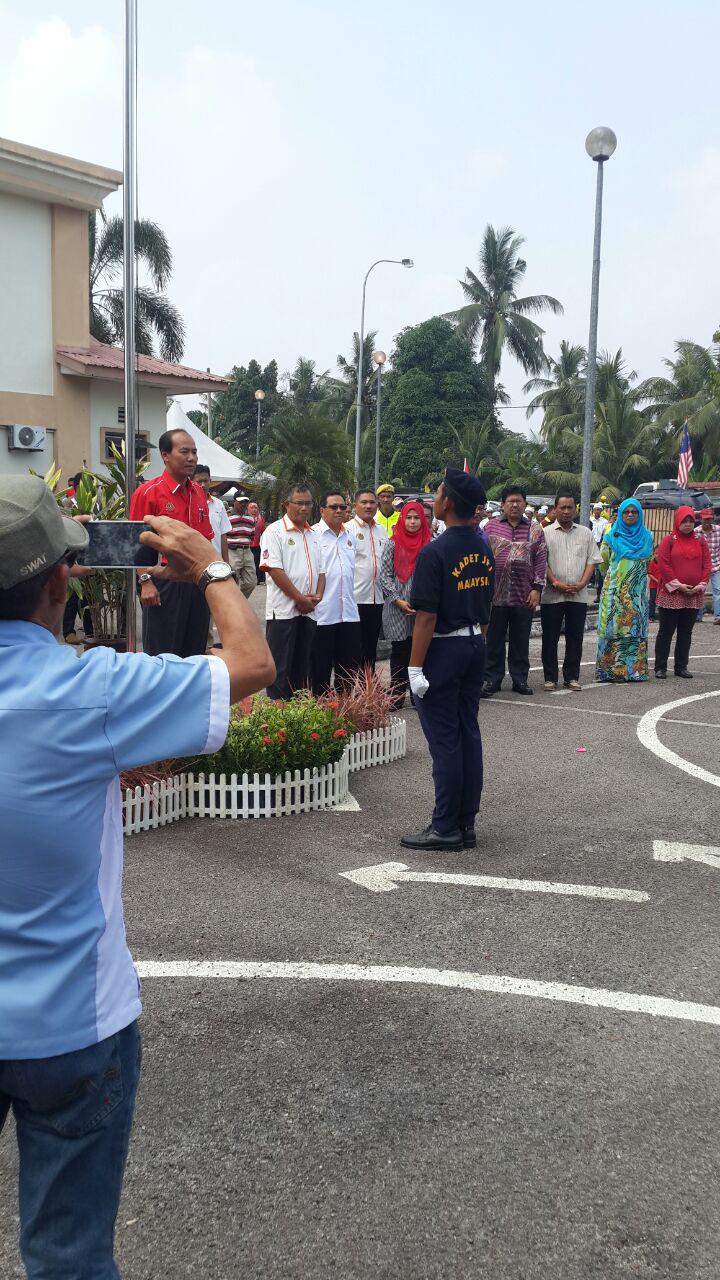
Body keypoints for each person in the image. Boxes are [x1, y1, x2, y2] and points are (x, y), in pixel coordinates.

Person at [0, 474, 274, 1280]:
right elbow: (251, 664)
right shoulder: (86, 690)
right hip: (72, 1022)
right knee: (67, 1254)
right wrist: (213, 568)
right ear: (60, 580)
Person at [400, 468, 495, 851]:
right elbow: (486, 606)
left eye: (438, 493)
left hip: (443, 649)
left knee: (444, 742)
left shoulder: (435, 551)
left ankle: (445, 827)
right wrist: (476, 644)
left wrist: (414, 667)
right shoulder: (482, 545)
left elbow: (425, 617)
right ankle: (465, 823)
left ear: (449, 503)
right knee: (467, 734)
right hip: (474, 644)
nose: (434, 499)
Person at [129, 427, 213, 658]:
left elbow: (205, 539)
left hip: (197, 580)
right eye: (184, 452)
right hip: (164, 581)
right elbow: (135, 545)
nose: (192, 458)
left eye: (194, 452)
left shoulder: (198, 492)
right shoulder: (148, 493)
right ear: (165, 455)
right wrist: (146, 581)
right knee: (162, 652)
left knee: (194, 651)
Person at [260, 483, 325, 698]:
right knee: (279, 668)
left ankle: (297, 718)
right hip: (284, 611)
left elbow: (322, 571)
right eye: (299, 503)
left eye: (308, 503)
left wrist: (316, 598)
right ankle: (278, 719)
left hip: (309, 611)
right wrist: (299, 599)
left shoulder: (314, 534)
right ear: (287, 504)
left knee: (302, 668)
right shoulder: (274, 531)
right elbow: (274, 570)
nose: (304, 508)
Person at [481, 485, 547, 697]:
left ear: (525, 504)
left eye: (519, 501)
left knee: (520, 640)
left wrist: (537, 589)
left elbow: (541, 560)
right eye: (511, 501)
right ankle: (492, 679)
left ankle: (520, 679)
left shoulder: (535, 529)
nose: (515, 505)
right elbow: (482, 559)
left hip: (523, 594)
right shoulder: (490, 528)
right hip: (494, 596)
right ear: (502, 504)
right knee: (494, 640)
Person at [541, 493, 601, 690]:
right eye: (562, 508)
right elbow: (542, 563)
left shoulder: (585, 533)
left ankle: (572, 677)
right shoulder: (545, 533)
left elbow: (592, 560)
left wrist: (582, 583)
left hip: (578, 594)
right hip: (552, 594)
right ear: (555, 509)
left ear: (575, 510)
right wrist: (556, 583)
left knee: (575, 637)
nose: (566, 511)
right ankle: (550, 678)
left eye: (570, 508)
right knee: (550, 637)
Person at [379, 500, 432, 708]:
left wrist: (424, 602)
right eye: (408, 517)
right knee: (400, 652)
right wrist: (398, 600)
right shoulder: (392, 543)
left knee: (421, 651)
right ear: (402, 519)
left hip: (423, 609)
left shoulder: (430, 543)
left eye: (416, 517)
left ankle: (419, 696)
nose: (412, 522)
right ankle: (397, 696)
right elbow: (384, 576)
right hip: (397, 608)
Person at [595, 498, 653, 682]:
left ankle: (634, 671)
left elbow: (648, 562)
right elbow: (603, 565)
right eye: (626, 512)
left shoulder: (647, 537)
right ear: (620, 514)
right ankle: (609, 671)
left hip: (637, 594)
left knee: (635, 628)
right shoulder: (611, 537)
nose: (630, 515)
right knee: (613, 628)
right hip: (614, 592)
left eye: (634, 512)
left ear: (639, 514)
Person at [311, 491, 361, 693]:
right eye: (334, 507)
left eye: (342, 507)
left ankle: (344, 715)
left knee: (348, 671)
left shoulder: (350, 536)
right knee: (319, 671)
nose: (339, 510)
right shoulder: (312, 535)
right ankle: (321, 716)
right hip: (322, 614)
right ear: (322, 510)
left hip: (348, 612)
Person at [653, 505, 711, 679]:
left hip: (694, 594)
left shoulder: (700, 541)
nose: (687, 524)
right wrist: (679, 586)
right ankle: (660, 667)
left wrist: (700, 585)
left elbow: (707, 564)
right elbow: (664, 565)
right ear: (677, 521)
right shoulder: (669, 540)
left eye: (690, 521)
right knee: (666, 632)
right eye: (684, 521)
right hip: (672, 594)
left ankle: (681, 667)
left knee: (686, 632)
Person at [345, 488, 388, 670]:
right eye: (364, 502)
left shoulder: (382, 531)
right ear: (355, 506)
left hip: (377, 599)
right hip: (354, 600)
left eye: (372, 502)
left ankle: (367, 689)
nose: (368, 506)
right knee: (351, 649)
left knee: (371, 649)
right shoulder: (346, 530)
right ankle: (349, 693)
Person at [194, 465, 231, 562]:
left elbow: (223, 535)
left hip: (216, 561)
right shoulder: (187, 504)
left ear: (210, 481)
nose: (203, 485)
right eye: (199, 481)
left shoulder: (219, 504)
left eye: (205, 481)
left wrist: (226, 563)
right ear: (192, 482)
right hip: (194, 561)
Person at [227, 495, 257, 598]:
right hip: (232, 551)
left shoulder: (250, 518)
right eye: (241, 501)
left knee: (251, 582)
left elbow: (252, 536)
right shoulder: (227, 516)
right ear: (234, 502)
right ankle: (233, 607)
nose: (244, 504)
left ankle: (240, 602)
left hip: (247, 551)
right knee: (231, 582)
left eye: (245, 501)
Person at [695, 507, 720, 623]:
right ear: (701, 519)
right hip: (700, 567)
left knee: (718, 591)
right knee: (699, 591)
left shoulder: (718, 530)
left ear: (712, 519)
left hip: (716, 565)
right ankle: (698, 616)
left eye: (709, 519)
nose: (707, 522)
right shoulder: (696, 532)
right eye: (705, 519)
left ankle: (718, 616)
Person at [590, 501, 611, 602]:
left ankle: (599, 592)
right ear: (593, 510)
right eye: (595, 509)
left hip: (601, 545)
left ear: (601, 511)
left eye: (598, 509)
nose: (597, 511)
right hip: (590, 545)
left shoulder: (605, 522)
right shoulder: (590, 520)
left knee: (599, 569)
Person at [248, 500, 267, 583]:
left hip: (258, 545)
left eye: (256, 508)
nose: (254, 509)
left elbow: (264, 531)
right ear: (248, 509)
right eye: (252, 508)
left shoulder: (260, 519)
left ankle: (259, 579)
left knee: (258, 561)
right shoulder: (245, 518)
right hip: (247, 545)